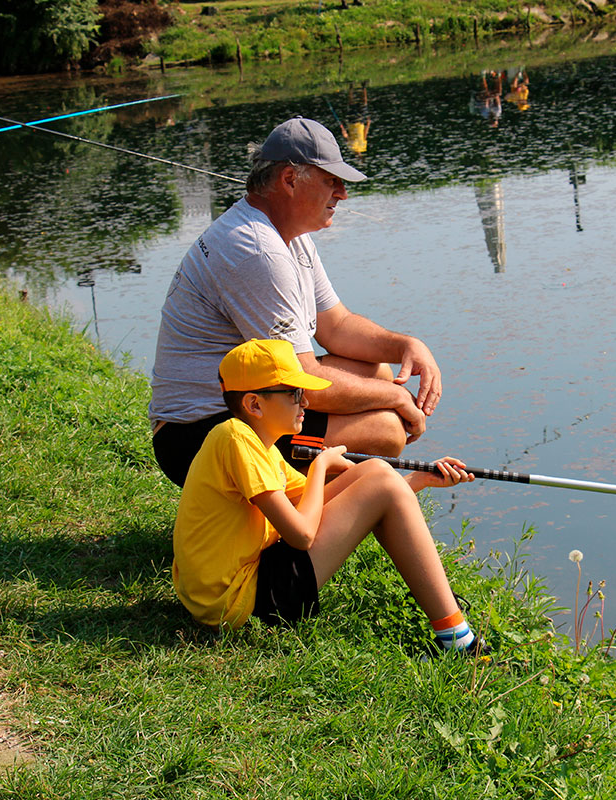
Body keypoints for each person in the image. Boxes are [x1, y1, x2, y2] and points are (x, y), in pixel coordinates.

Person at [149, 117, 442, 487]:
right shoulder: (257, 251)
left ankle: (305, 496)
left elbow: (337, 326)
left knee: (378, 371)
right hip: (197, 438)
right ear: (289, 180)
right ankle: (305, 517)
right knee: (386, 429)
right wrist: (397, 400)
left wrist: (406, 346)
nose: (342, 194)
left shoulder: (289, 237)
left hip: (243, 409)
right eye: (330, 181)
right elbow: (304, 379)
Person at [172, 338, 482, 654]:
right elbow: (302, 534)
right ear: (254, 404)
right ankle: (460, 643)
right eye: (295, 394)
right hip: (236, 604)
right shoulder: (236, 441)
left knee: (374, 471)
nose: (306, 402)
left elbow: (327, 500)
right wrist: (320, 464)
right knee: (379, 481)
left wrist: (417, 481)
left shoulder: (255, 444)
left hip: (238, 587)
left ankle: (453, 631)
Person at [339, 80, 371, 155]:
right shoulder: (363, 147)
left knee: (351, 104)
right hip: (361, 122)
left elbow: (346, 136)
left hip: (352, 123)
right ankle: (363, 87)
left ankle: (351, 87)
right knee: (364, 103)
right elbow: (365, 135)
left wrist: (343, 129)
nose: (358, 156)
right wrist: (368, 124)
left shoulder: (351, 147)